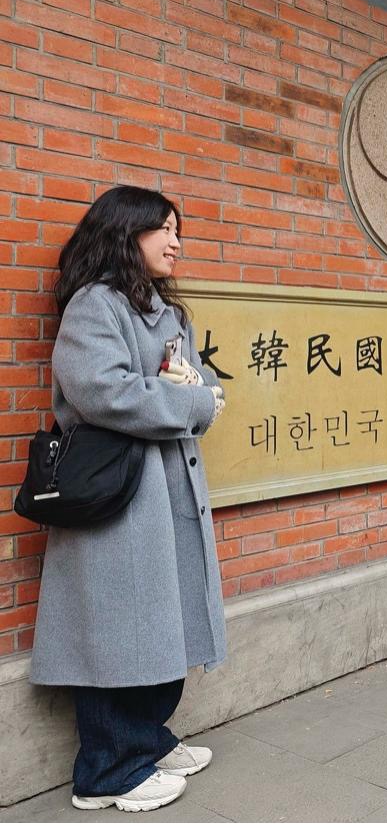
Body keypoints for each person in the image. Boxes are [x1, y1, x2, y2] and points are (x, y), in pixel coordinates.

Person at [30, 186, 227, 813]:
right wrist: (192, 400)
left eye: (178, 229)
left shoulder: (165, 311)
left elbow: (196, 382)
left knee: (160, 628)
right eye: (163, 228)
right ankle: (105, 772)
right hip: (118, 495)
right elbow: (102, 391)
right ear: (125, 231)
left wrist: (195, 393)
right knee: (117, 631)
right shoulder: (95, 305)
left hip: (166, 488)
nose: (176, 242)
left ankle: (145, 740)